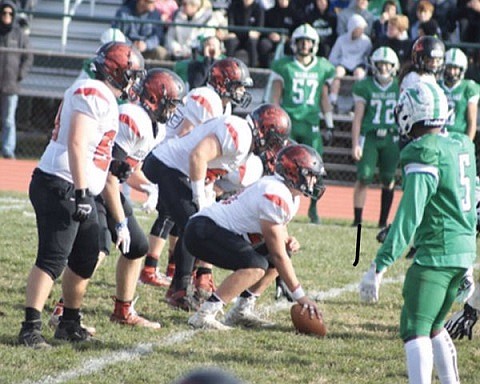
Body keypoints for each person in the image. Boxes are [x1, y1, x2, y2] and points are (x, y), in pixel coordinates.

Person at [18, 41, 145, 348]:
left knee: (89, 251)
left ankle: (69, 322)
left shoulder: (103, 97)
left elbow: (90, 146)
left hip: (73, 182)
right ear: (116, 72)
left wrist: (112, 164)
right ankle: (29, 328)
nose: (134, 80)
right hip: (62, 182)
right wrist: (82, 192)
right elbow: (76, 142)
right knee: (53, 258)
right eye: (131, 74)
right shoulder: (94, 92)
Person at [359, 81, 476, 383]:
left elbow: (409, 217)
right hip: (463, 250)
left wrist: (379, 265)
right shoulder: (461, 142)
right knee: (435, 326)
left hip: (436, 254)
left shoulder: (422, 150)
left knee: (414, 328)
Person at [142, 103, 292, 311]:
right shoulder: (240, 133)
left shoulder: (246, 148)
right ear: (264, 130)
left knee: (195, 224)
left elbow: (216, 177)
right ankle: (179, 290)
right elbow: (198, 156)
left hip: (180, 171)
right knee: (193, 226)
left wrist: (208, 193)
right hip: (168, 165)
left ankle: (187, 284)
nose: (271, 147)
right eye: (273, 140)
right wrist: (198, 197)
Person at [185, 144, 325, 330]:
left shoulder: (289, 195)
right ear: (293, 172)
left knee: (278, 257)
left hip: (216, 230)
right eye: (310, 175)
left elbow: (277, 235)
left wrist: (287, 239)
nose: (314, 181)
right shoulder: (275, 193)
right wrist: (300, 295)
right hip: (202, 230)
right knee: (257, 266)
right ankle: (205, 313)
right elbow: (277, 254)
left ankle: (241, 311)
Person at [138, 58, 245, 293]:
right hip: (171, 160)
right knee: (184, 219)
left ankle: (178, 272)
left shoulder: (221, 104)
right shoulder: (206, 98)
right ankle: (163, 273)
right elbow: (187, 134)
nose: (242, 91)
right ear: (222, 83)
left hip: (184, 164)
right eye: (238, 85)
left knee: (186, 219)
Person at [101, 68, 186, 328]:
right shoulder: (131, 117)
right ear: (153, 98)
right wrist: (120, 222)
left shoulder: (155, 127)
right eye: (169, 104)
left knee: (137, 246)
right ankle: (63, 308)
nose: (172, 111)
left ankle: (123, 311)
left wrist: (150, 188)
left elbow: (129, 169)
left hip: (108, 184)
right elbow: (107, 171)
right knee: (95, 250)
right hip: (93, 184)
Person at [270, 23, 335, 224]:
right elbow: (275, 96)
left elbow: (324, 97)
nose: (305, 45)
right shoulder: (284, 65)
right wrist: (274, 121)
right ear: (295, 44)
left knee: (316, 169)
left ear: (314, 44)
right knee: (282, 167)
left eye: (308, 42)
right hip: (289, 123)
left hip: (311, 125)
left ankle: (313, 210)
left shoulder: (322, 66)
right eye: (301, 41)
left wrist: (330, 123)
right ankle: (279, 205)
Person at [351, 46, 400, 228]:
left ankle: (382, 221)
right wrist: (355, 142)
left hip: (392, 137)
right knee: (364, 176)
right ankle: (357, 220)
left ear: (394, 66)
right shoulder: (365, 86)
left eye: (387, 65)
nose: (384, 68)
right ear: (374, 65)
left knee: (388, 178)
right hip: (370, 136)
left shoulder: (400, 86)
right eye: (380, 64)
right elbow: (358, 117)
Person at [0, 0, 33, 159]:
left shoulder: (19, 34)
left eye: (10, 13)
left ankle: (7, 150)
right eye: (4, 12)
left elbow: (28, 57)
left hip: (10, 85)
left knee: (8, 120)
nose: (7, 16)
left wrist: (20, 75)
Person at [328, 14, 372, 107]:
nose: (360, 31)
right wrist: (339, 63)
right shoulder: (341, 40)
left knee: (359, 74)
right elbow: (333, 57)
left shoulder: (366, 41)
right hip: (343, 64)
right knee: (338, 73)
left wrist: (365, 66)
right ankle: (333, 100)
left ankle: (356, 102)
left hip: (359, 64)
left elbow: (368, 57)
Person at [438, 48, 479, 141]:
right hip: (438, 137)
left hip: (459, 137)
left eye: (455, 68)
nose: (452, 72)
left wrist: (467, 143)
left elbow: (472, 123)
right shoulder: (437, 85)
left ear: (462, 69)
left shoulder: (468, 88)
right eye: (449, 67)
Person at [224, 0, 265, 68]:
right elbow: (231, 26)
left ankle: (253, 68)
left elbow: (259, 28)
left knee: (252, 42)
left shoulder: (258, 8)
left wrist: (255, 33)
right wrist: (232, 32)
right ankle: (228, 67)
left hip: (250, 38)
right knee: (231, 41)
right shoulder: (234, 6)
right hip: (237, 36)